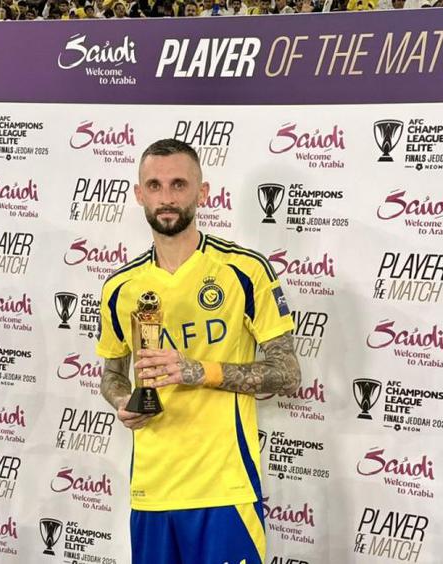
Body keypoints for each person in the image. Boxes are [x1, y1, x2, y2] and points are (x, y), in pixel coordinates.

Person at [97, 139, 301, 564]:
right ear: (139, 194)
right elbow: (112, 374)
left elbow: (287, 373)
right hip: (151, 490)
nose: (166, 198)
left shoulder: (244, 271)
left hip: (223, 489)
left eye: (179, 184)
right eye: (154, 186)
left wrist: (197, 371)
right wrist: (123, 402)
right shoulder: (120, 287)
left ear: (202, 192)